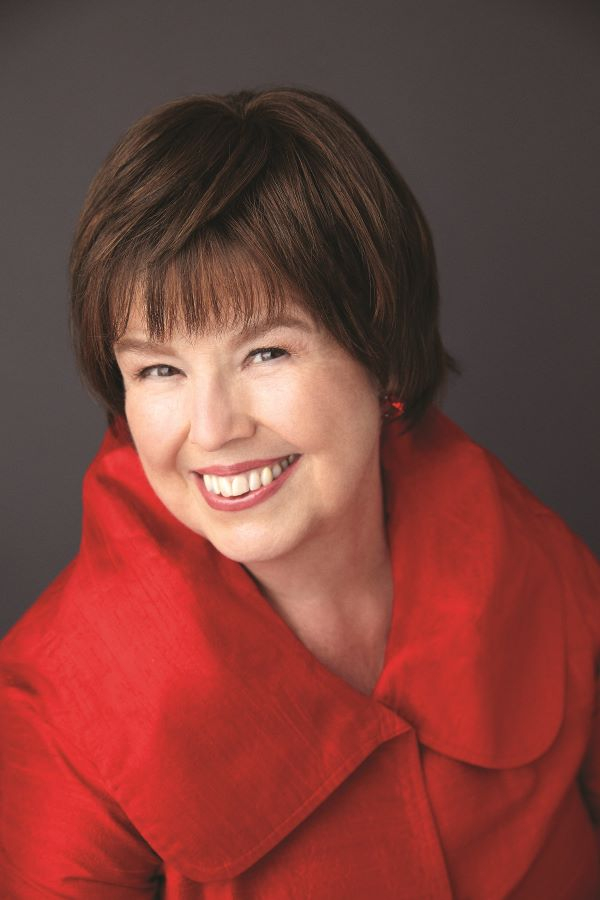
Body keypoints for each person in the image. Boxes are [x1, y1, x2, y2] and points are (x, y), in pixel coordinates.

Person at [0, 86, 598, 898]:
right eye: (160, 370)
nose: (210, 430)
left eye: (266, 353)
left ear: (382, 352)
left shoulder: (527, 546)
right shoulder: (51, 707)